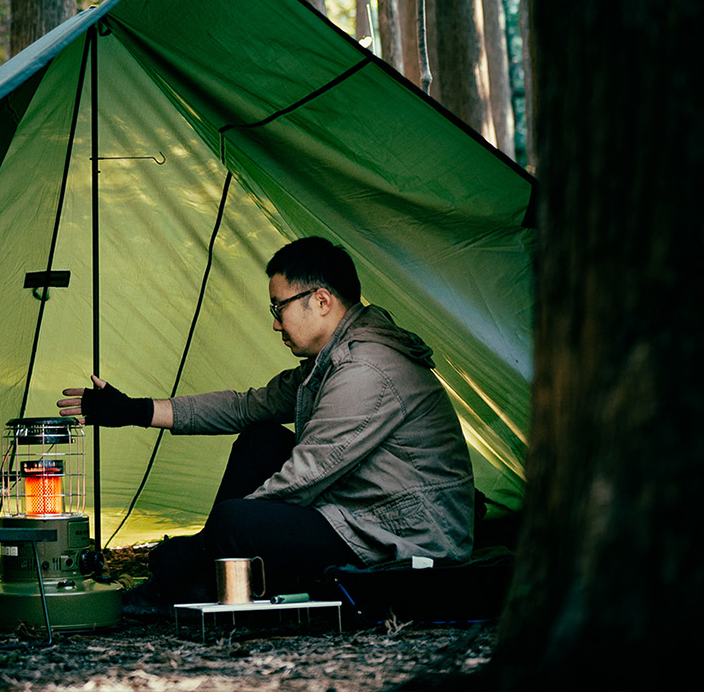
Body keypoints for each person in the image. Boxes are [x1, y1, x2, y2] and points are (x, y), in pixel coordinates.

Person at [59, 236, 475, 605]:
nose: (275, 322)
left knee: (236, 520)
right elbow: (246, 407)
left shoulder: (364, 370)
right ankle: (206, 579)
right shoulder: (331, 360)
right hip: (360, 509)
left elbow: (304, 476)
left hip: (403, 535)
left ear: (322, 301)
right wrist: (133, 410)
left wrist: (206, 544)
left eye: (279, 307)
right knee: (260, 440)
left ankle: (197, 579)